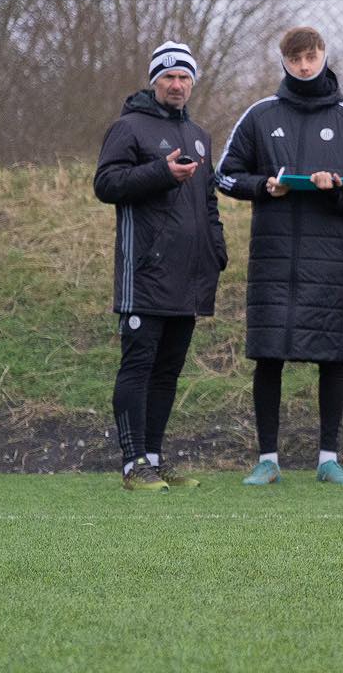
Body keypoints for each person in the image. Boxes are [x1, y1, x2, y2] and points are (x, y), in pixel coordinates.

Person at [216, 26, 343, 487]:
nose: (304, 66)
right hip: (273, 258)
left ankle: (329, 459)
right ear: (283, 62)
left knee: (332, 359)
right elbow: (225, 177)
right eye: (295, 59)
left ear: (324, 55)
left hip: (330, 262)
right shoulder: (261, 116)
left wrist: (336, 191)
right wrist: (266, 186)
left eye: (311, 57)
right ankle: (268, 459)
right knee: (268, 357)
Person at [94, 40, 226, 492]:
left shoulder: (200, 135)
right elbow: (106, 184)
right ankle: (132, 465)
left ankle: (153, 456)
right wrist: (160, 173)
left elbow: (207, 202)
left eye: (184, 76)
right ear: (154, 81)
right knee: (139, 366)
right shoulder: (128, 128)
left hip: (188, 277)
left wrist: (216, 250)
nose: (177, 84)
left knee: (168, 370)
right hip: (144, 274)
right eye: (168, 76)